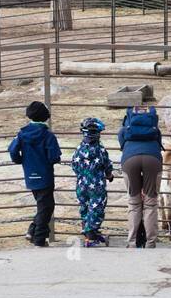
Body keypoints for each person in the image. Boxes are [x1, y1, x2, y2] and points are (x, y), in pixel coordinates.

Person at [8, 101, 61, 247]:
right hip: (45, 176)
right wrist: (55, 159)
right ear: (46, 116)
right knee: (47, 207)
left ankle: (33, 231)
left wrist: (19, 160)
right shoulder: (48, 136)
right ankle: (38, 238)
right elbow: (53, 157)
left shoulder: (21, 134)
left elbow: (12, 150)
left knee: (43, 206)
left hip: (30, 175)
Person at [118, 105, 163, 248]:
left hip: (130, 160)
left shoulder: (125, 129)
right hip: (153, 160)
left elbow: (122, 145)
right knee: (151, 203)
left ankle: (132, 242)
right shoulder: (154, 129)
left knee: (134, 203)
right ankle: (150, 243)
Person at [71, 117, 114, 247]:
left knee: (84, 207)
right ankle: (91, 236)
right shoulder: (100, 150)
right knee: (97, 208)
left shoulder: (79, 149)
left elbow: (74, 165)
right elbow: (107, 165)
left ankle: (89, 231)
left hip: (81, 185)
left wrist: (82, 174)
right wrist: (109, 175)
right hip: (96, 185)